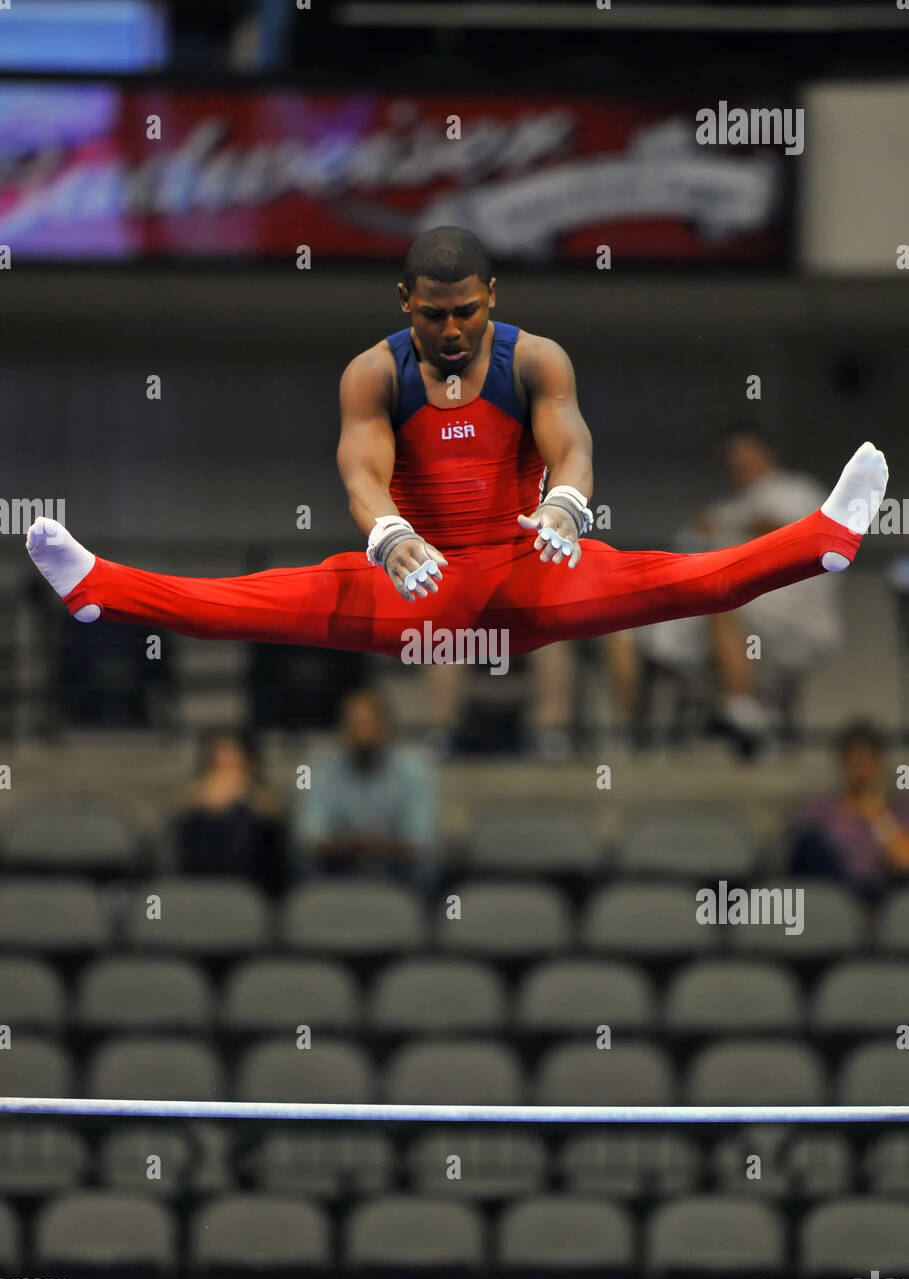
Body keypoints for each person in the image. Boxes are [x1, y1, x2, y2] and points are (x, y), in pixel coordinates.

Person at [26, 227, 887, 686]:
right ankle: (99, 590)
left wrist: (564, 506)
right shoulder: (374, 373)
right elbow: (361, 473)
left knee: (688, 578)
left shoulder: (537, 359)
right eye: (432, 314)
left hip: (531, 572)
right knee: (248, 602)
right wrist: (391, 536)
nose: (449, 330)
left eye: (466, 312)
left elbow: (571, 444)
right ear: (405, 300)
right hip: (419, 587)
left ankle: (824, 536)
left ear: (491, 299)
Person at [607, 427, 844, 750]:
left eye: (746, 453)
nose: (738, 462)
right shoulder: (722, 508)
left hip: (789, 607)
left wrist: (733, 529)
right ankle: (629, 734)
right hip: (709, 607)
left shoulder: (797, 490)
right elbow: (682, 554)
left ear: (767, 454)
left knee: (722, 599)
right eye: (732, 457)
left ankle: (740, 710)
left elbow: (799, 535)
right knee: (623, 629)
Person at [297, 688, 435, 884]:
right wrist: (359, 845)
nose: (362, 732)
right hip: (337, 870)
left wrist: (375, 846)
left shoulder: (414, 771)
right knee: (306, 868)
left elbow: (421, 839)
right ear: (342, 730)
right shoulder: (319, 771)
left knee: (424, 870)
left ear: (386, 727)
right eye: (354, 724)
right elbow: (309, 837)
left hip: (398, 872)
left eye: (369, 723)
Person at [787, 721, 909, 902]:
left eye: (867, 763)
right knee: (808, 843)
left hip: (877, 892)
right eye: (854, 762)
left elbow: (904, 863)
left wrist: (878, 816)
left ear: (879, 764)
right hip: (829, 889)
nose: (861, 772)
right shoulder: (821, 807)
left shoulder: (897, 811)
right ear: (842, 764)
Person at [173, 727, 286, 895]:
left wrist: (241, 793)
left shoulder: (263, 794)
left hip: (252, 880)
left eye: (233, 751)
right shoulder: (195, 793)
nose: (226, 759)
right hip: (198, 876)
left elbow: (274, 813)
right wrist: (211, 798)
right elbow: (178, 810)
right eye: (220, 752)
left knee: (244, 817)